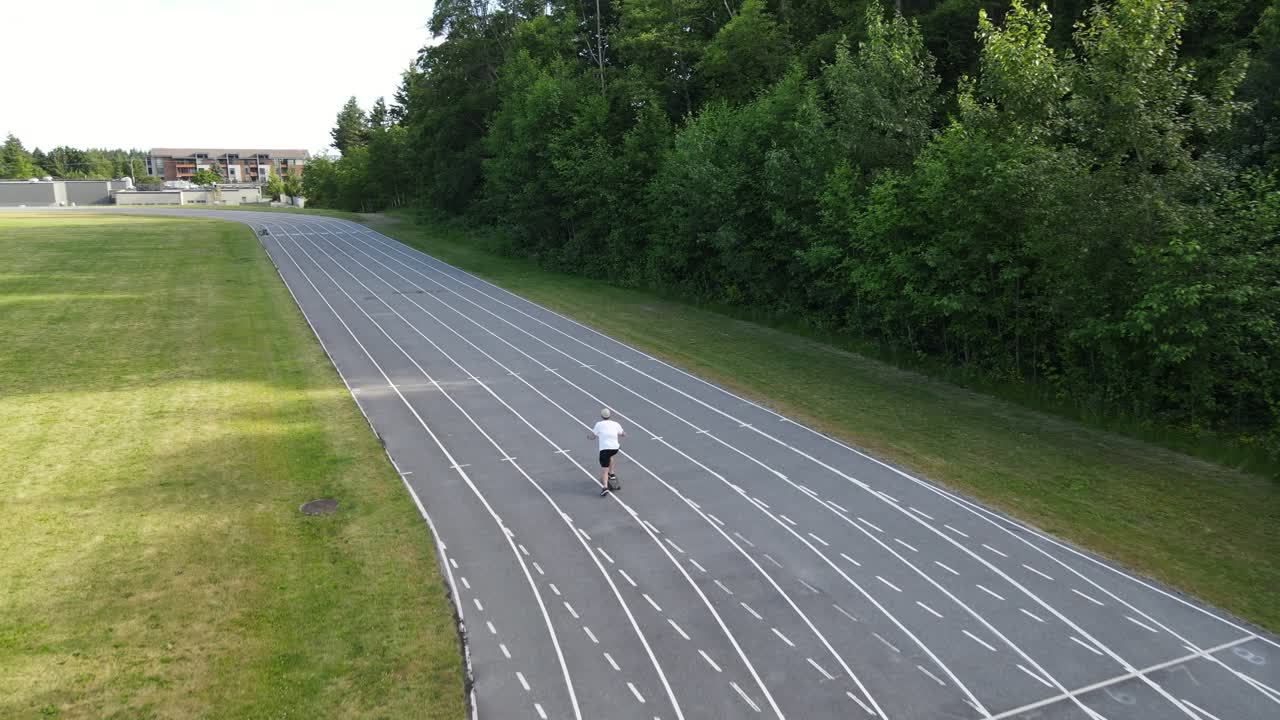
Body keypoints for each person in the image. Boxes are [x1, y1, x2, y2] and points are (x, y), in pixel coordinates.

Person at [589, 408, 625, 496]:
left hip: (605, 449)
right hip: (615, 448)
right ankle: (612, 474)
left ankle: (605, 487)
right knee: (610, 456)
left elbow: (593, 436)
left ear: (602, 416)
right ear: (610, 415)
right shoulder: (615, 424)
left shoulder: (599, 424)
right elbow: (623, 434)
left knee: (604, 469)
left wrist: (588, 437)